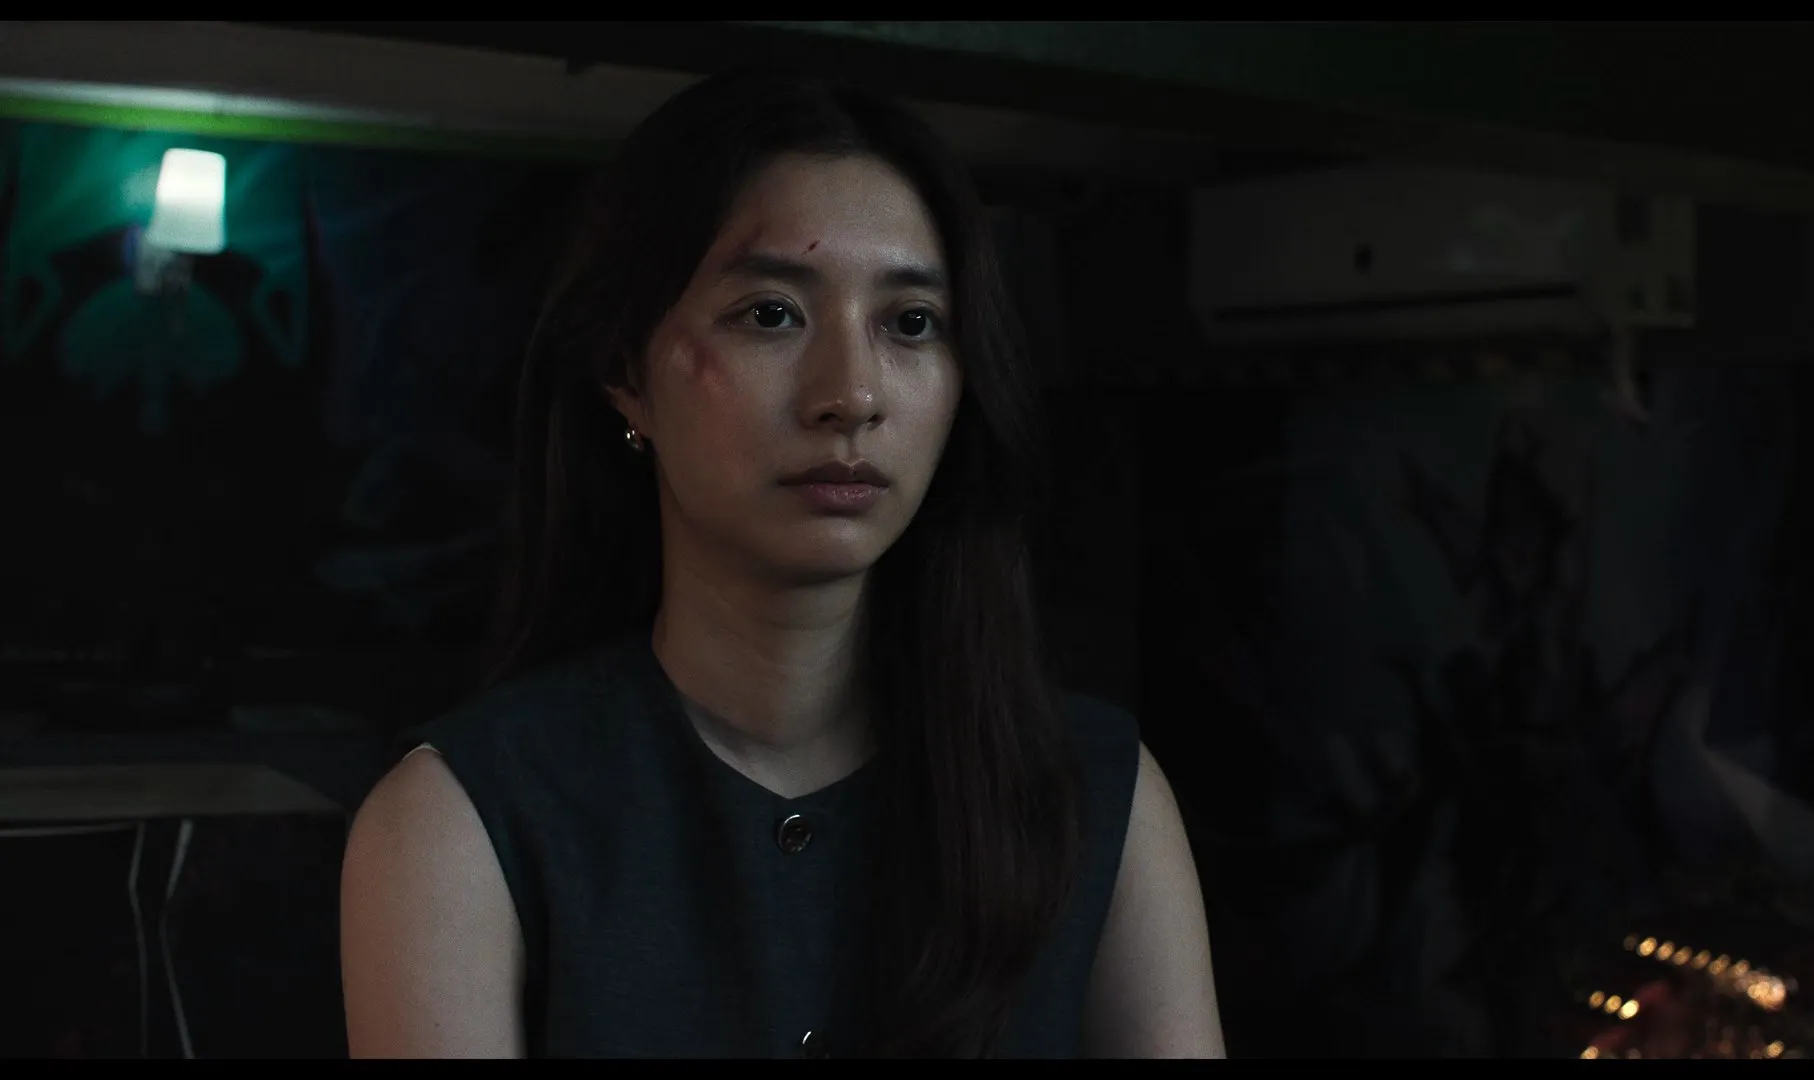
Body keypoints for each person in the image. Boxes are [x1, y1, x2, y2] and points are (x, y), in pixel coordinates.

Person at [337, 67, 1223, 1059]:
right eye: (771, 314)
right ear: (627, 373)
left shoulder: (1096, 795)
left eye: (910, 323)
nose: (851, 394)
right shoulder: (461, 823)